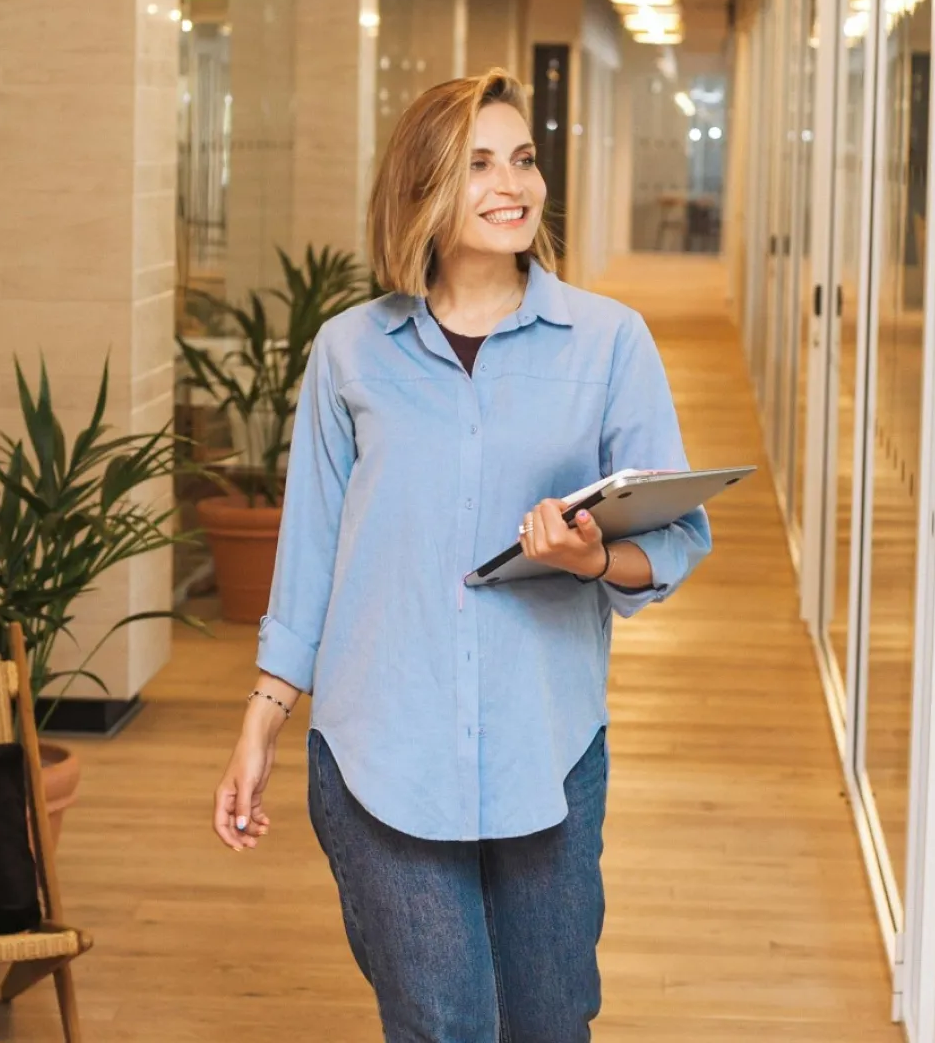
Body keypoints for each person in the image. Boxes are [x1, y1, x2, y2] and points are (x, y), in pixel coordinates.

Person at [212, 68, 712, 1042]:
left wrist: (587, 562)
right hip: (378, 752)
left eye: (522, 160)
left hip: (546, 750)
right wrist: (262, 721)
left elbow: (676, 536)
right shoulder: (350, 351)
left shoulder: (608, 342)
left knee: (551, 1020)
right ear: (424, 187)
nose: (512, 184)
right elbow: (308, 552)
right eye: (479, 163)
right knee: (444, 1026)